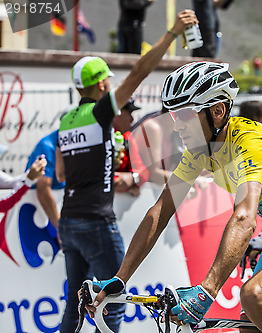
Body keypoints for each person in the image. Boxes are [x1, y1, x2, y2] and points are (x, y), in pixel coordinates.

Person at [86, 61, 262, 333]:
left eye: (184, 115)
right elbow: (160, 211)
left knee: (255, 296)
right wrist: (120, 279)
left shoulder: (250, 144)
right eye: (172, 116)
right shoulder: (198, 150)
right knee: (251, 325)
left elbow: (244, 217)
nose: (175, 125)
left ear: (217, 111)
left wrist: (207, 291)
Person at [55, 10, 198, 333]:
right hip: (96, 221)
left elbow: (61, 174)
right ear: (103, 83)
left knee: (75, 305)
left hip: (69, 221)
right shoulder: (100, 111)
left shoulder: (65, 120)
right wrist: (173, 33)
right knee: (111, 303)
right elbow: (140, 72)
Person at [25, 130, 65, 229]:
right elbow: (43, 191)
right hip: (39, 210)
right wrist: (60, 229)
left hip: (56, 203)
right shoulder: (47, 146)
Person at [113, 98, 149, 197]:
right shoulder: (97, 134)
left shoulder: (127, 137)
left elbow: (143, 171)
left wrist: (133, 179)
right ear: (117, 114)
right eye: (129, 114)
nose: (132, 119)